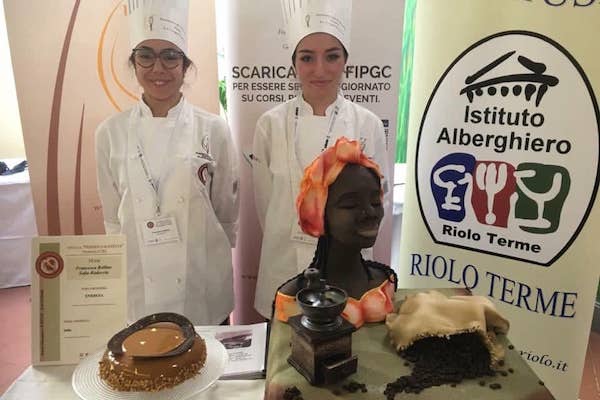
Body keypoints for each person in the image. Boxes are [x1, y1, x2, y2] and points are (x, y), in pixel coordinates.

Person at [95, 0, 238, 325]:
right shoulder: (109, 133)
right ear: (134, 63)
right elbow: (113, 218)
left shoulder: (213, 128)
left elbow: (225, 212)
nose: (158, 68)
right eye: (146, 55)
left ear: (185, 66)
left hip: (202, 280)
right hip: (139, 283)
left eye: (170, 56)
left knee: (207, 352)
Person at [252, 0, 390, 318]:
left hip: (347, 269)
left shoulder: (366, 124)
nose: (320, 69)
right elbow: (265, 203)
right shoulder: (270, 124)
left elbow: (376, 199)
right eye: (307, 57)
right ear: (293, 63)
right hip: (283, 262)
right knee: (284, 343)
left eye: (332, 56)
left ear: (345, 60)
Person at [274, 137, 396, 329]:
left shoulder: (384, 281)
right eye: (351, 205)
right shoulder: (295, 299)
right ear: (319, 214)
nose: (370, 213)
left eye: (375, 202)